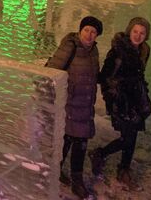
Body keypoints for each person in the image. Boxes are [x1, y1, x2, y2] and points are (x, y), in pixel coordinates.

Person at [90, 17, 151, 191]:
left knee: (132, 136)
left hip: (136, 99)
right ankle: (101, 154)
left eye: (142, 33)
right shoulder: (118, 51)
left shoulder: (145, 50)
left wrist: (141, 93)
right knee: (128, 138)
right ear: (129, 31)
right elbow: (105, 78)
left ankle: (123, 168)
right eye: (135, 31)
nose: (138, 36)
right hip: (121, 100)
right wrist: (114, 99)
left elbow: (140, 74)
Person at [46, 16, 103, 199]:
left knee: (78, 142)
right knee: (68, 141)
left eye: (93, 32)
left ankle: (69, 177)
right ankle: (59, 174)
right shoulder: (70, 46)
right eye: (86, 29)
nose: (89, 34)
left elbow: (95, 75)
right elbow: (52, 72)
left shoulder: (94, 51)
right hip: (69, 105)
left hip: (85, 106)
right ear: (80, 30)